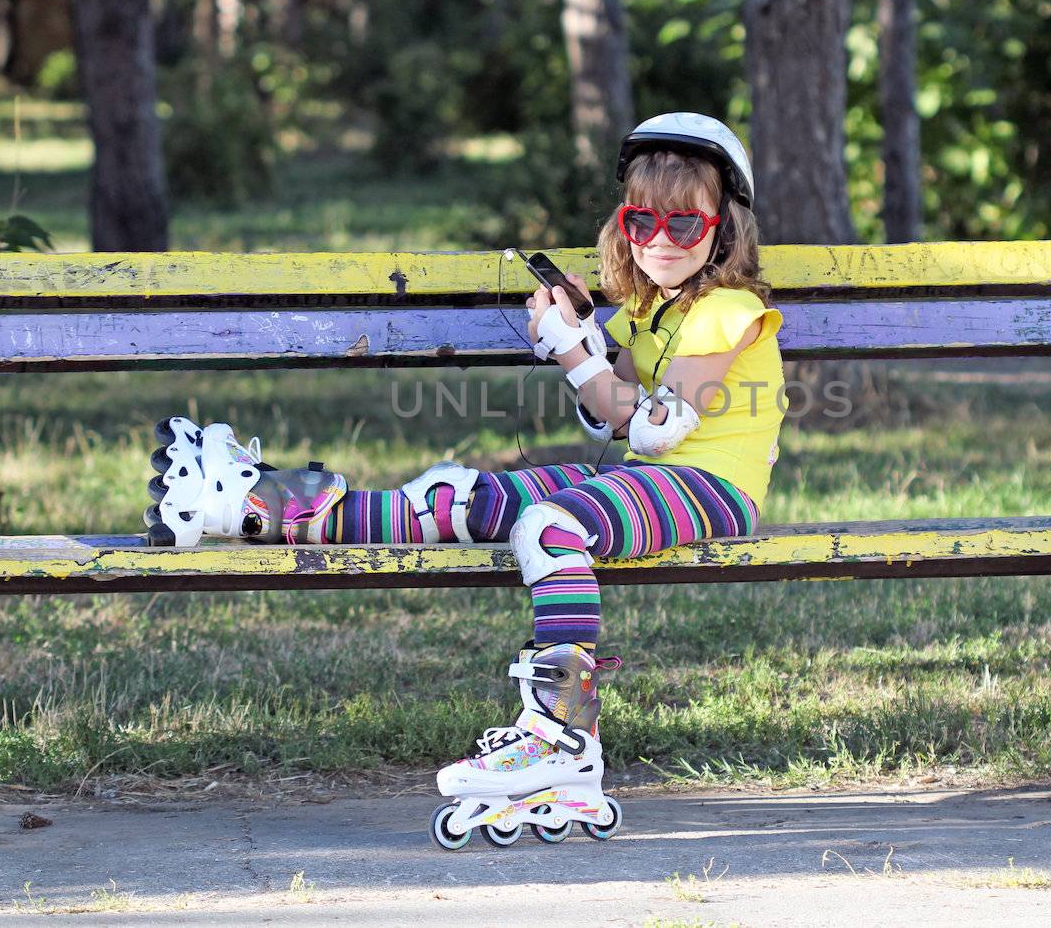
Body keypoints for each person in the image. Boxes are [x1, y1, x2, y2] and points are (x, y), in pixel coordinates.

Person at [143, 112, 786, 848]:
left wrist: (571, 352)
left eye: (683, 222)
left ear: (725, 227)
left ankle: (562, 734)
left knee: (550, 527)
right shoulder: (650, 309)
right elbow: (610, 416)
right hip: (655, 482)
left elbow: (654, 426)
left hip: (712, 488)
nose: (659, 240)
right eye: (641, 220)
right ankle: (245, 503)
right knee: (455, 497)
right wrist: (586, 337)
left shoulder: (729, 310)